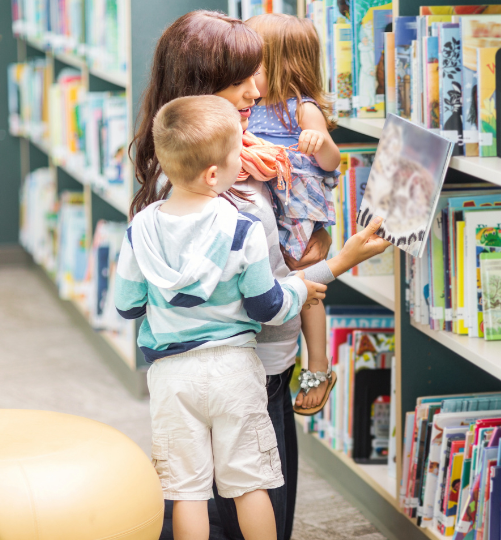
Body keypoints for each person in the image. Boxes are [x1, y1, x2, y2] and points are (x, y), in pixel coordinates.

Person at [130, 11, 390, 540]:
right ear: (203, 87)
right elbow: (266, 298)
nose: (257, 90)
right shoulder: (229, 190)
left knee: (196, 495)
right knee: (248, 502)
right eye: (242, 78)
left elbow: (132, 302)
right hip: (251, 369)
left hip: (214, 367)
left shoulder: (193, 163)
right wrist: (340, 260)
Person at [115, 95, 327, 540]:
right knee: (250, 483)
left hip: (172, 375)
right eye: (238, 154)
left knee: (187, 490)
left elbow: (128, 306)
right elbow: (265, 307)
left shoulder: (140, 229)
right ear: (214, 174)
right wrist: (300, 290)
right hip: (234, 370)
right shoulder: (241, 228)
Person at [243, 13, 341, 415]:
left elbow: (333, 162)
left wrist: (318, 143)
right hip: (270, 202)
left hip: (297, 209)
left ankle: (318, 364)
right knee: (278, 282)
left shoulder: (302, 109)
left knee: (305, 287)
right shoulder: (251, 103)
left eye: (253, 64)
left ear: (281, 65)